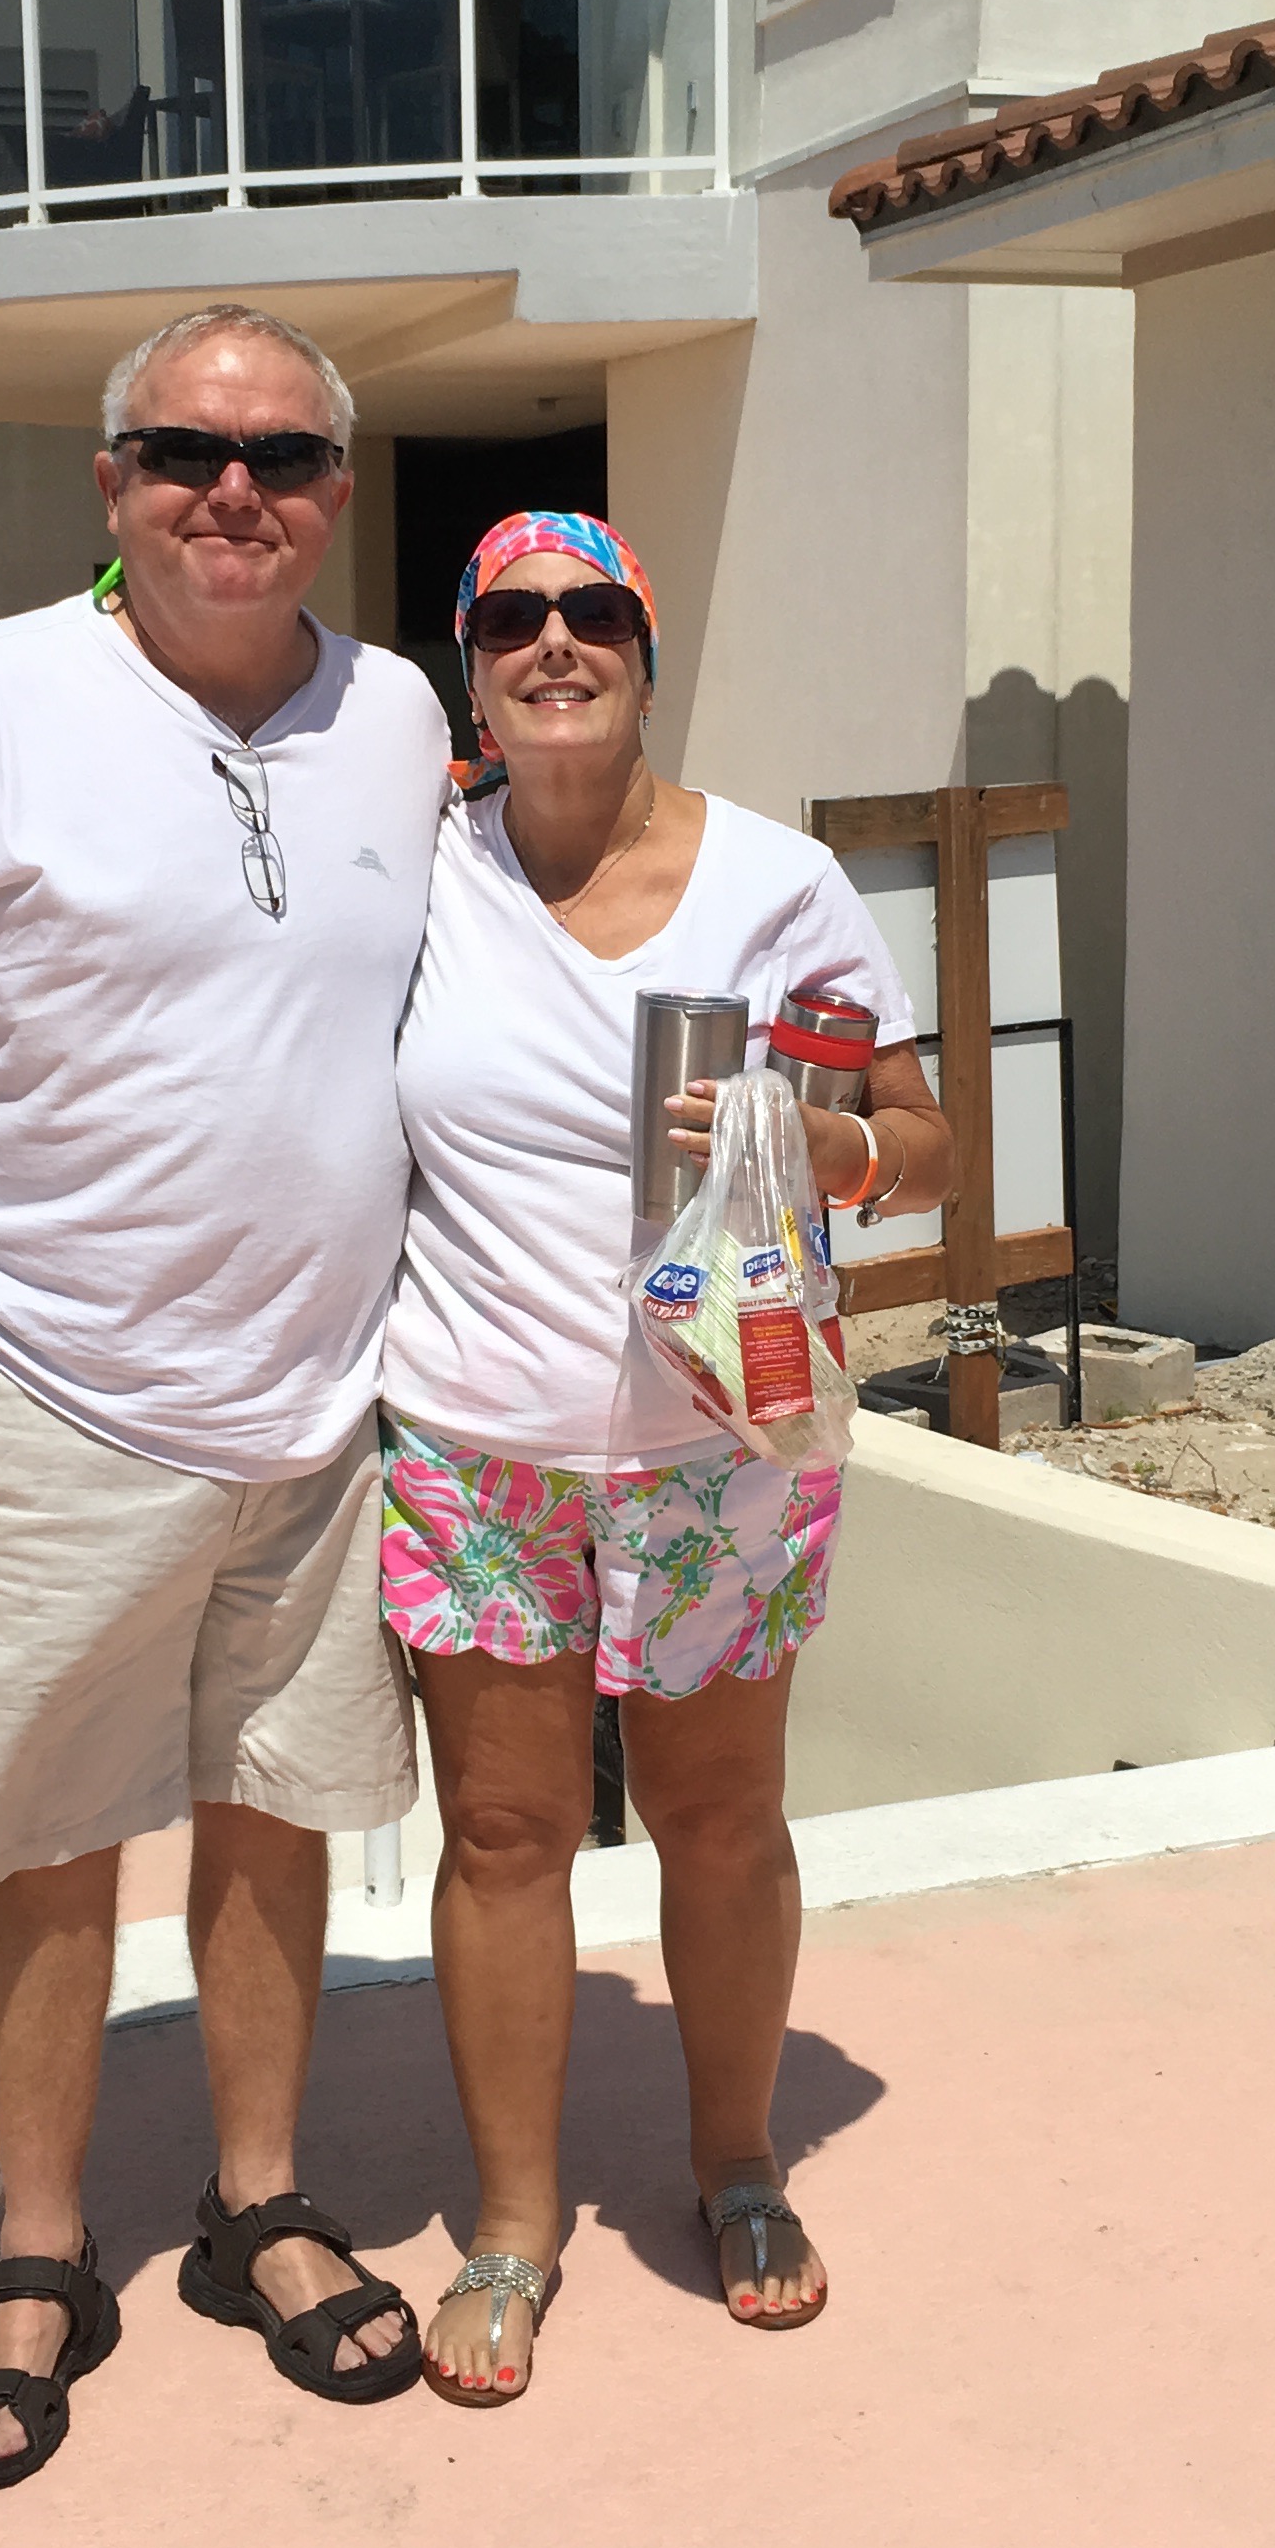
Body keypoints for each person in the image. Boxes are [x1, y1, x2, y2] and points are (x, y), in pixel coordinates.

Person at [0, 303, 451, 2490]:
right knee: (52, 1834)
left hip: (323, 1410)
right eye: (183, 451)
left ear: (337, 491)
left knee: (275, 1811)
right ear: (111, 484)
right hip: (55, 1384)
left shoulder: (398, 712)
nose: (232, 491)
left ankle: (258, 2206)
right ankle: (42, 2249)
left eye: (283, 458)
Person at [378, 510, 954, 2400]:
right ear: (473, 667)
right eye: (513, 618)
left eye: (594, 612)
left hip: (724, 1443)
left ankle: (738, 2163)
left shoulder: (778, 883)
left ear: (643, 647)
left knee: (718, 1819)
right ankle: (513, 2224)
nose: (555, 641)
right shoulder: (418, 874)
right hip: (479, 1438)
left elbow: (924, 1142)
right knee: (503, 1832)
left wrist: (822, 1146)